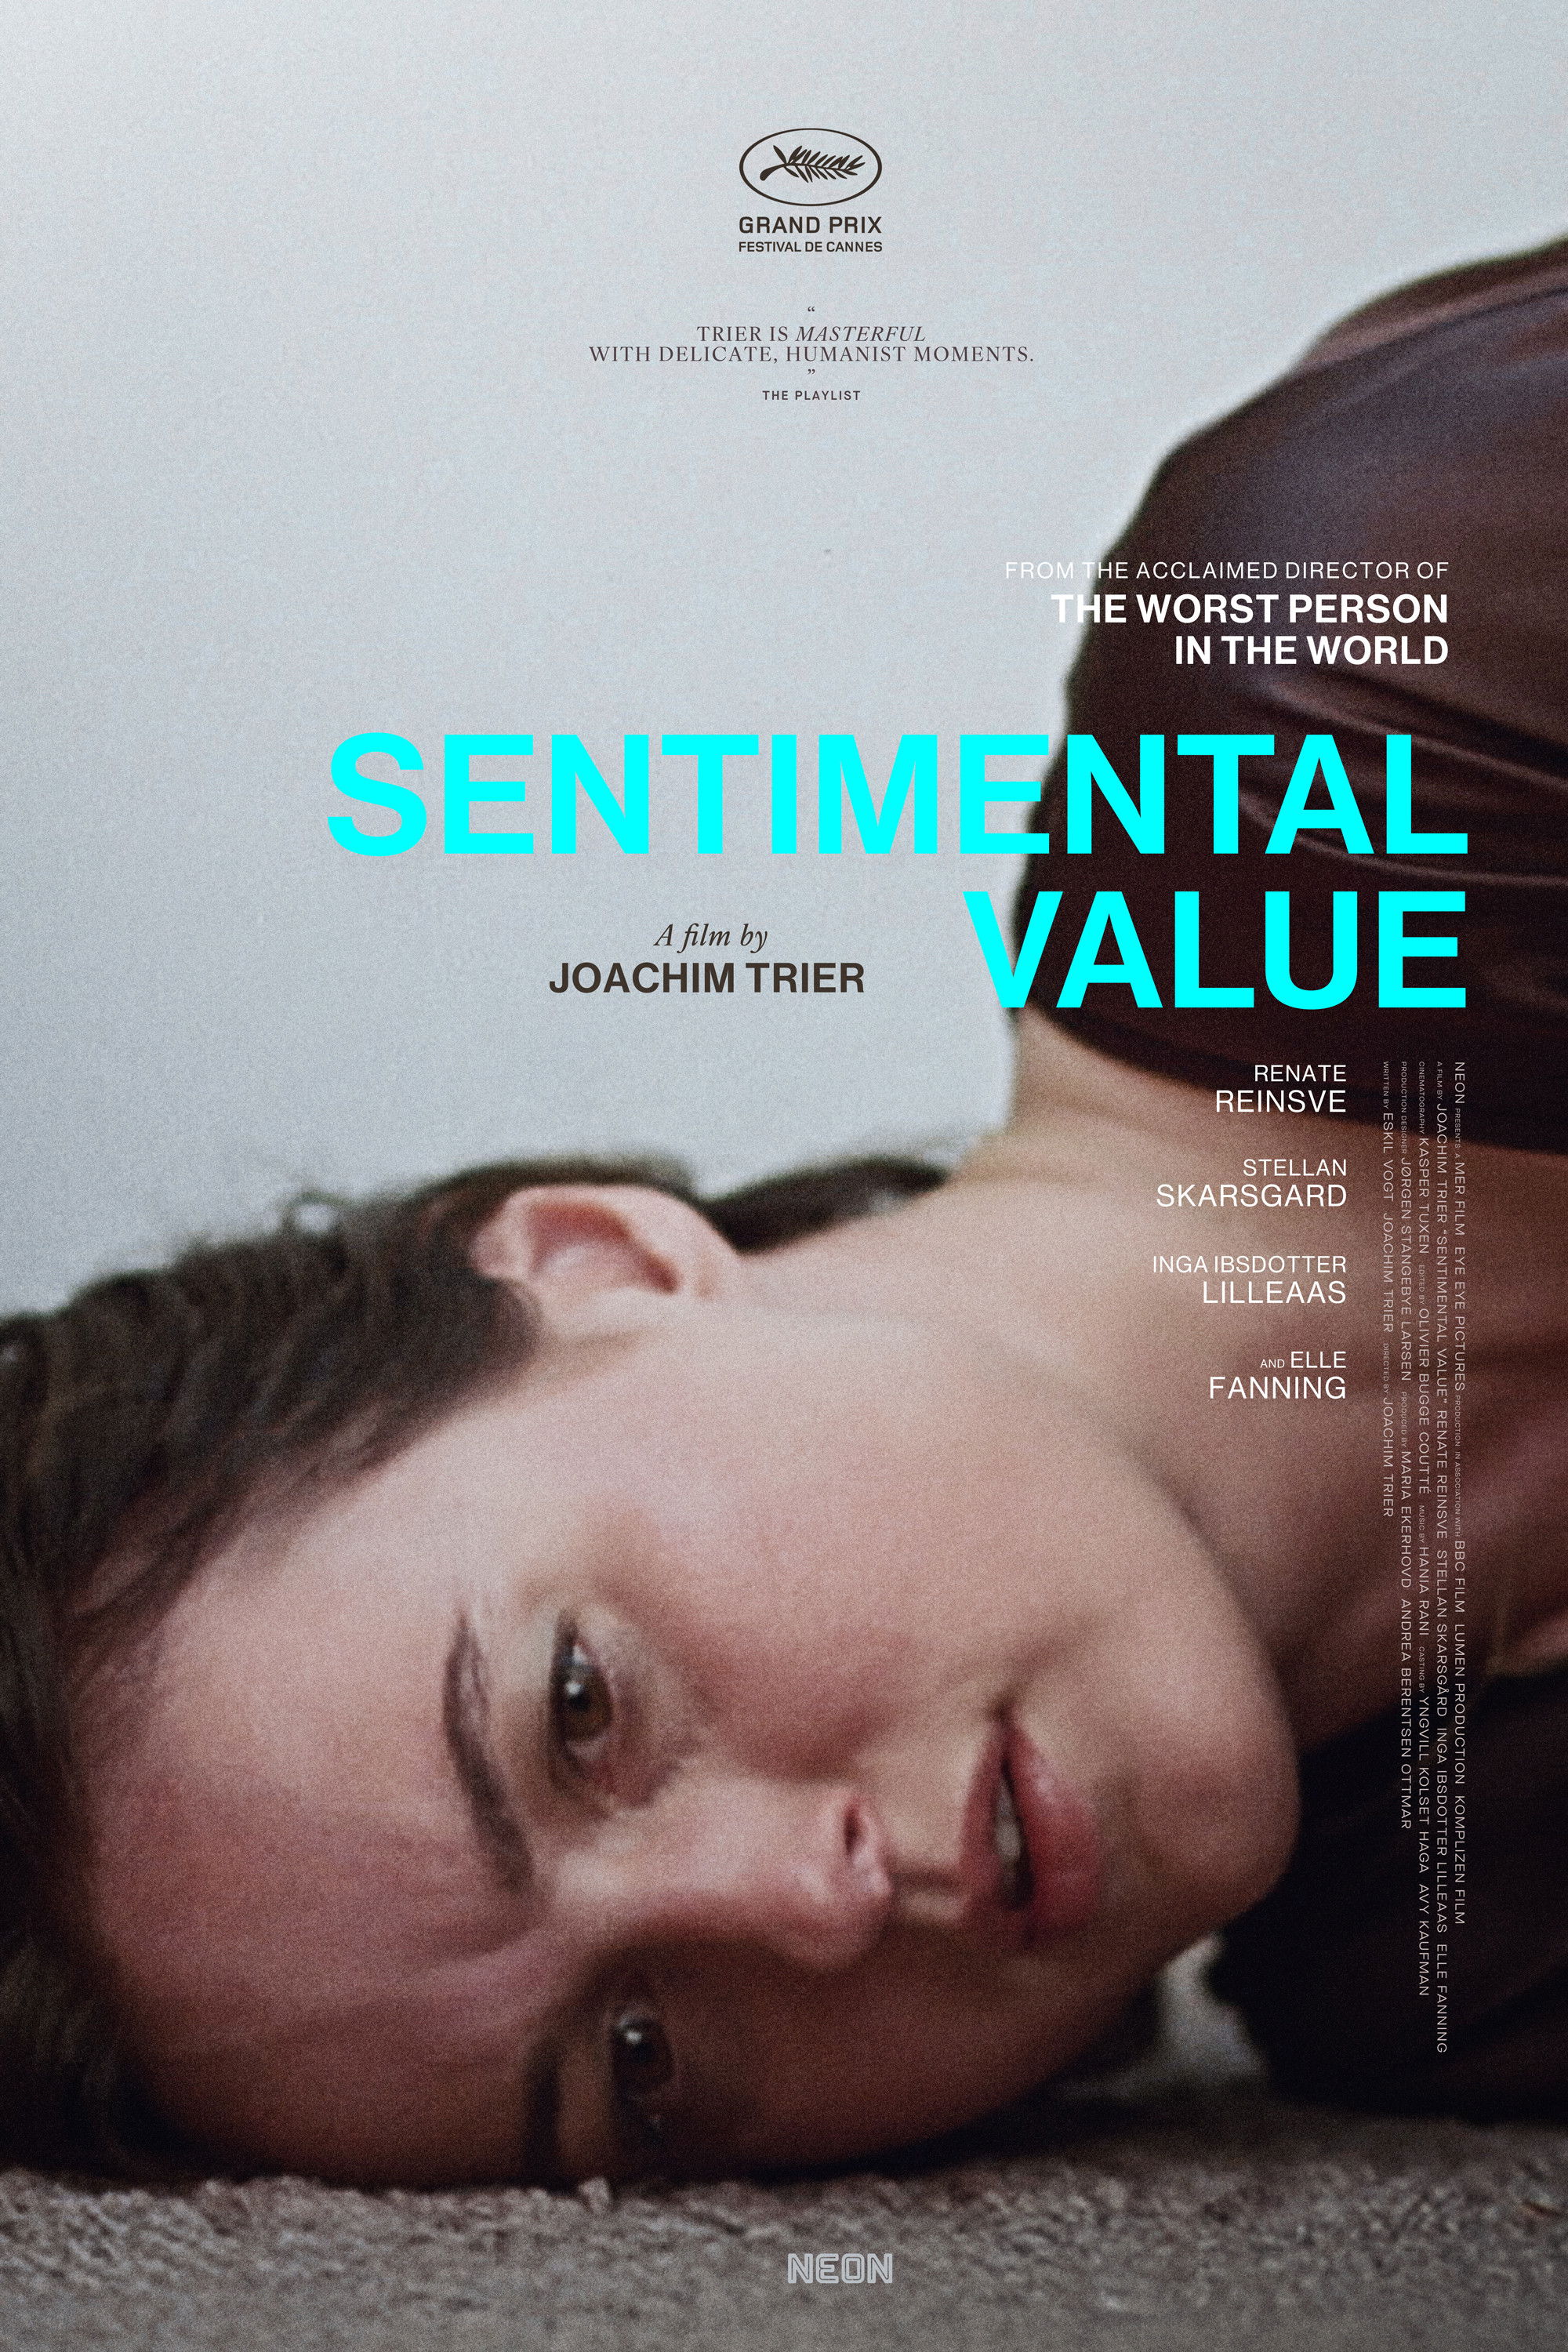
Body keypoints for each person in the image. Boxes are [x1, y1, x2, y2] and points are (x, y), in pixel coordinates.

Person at [3, 239, 1566, 2187]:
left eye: (582, 1707)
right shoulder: (1447, 1964)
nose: (808, 1908)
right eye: (638, 2057)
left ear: (597, 1265)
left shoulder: (1362, 666)